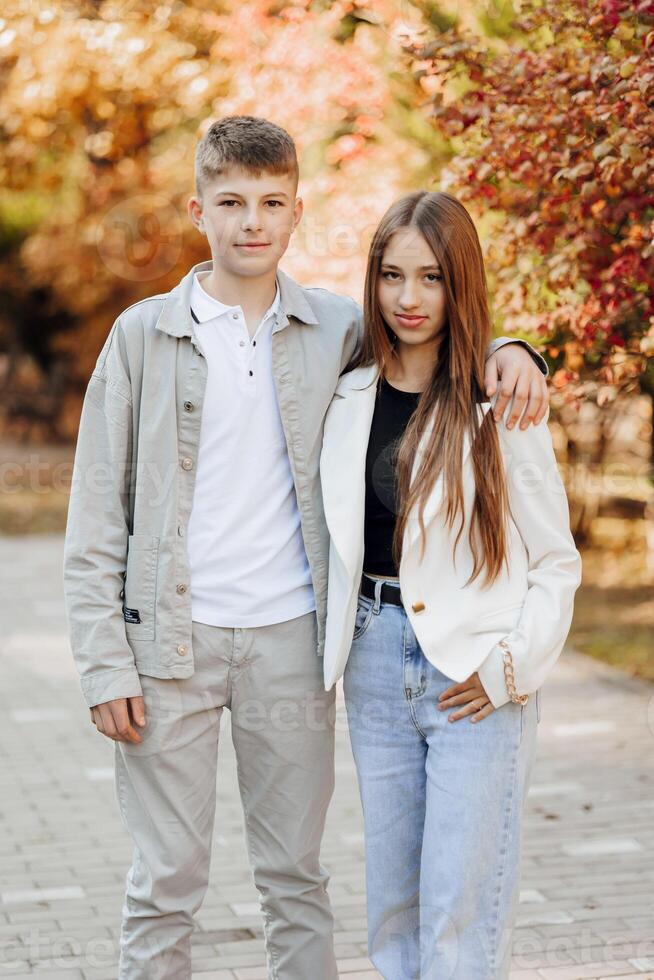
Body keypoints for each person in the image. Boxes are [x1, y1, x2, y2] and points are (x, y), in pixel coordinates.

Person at [63, 116, 551, 980]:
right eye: (232, 203)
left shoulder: (336, 329)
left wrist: (517, 350)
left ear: (296, 214)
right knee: (165, 881)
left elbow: (436, 340)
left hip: (294, 642)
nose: (252, 222)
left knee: (295, 879)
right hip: (169, 647)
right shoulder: (140, 338)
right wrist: (104, 664)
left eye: (271, 204)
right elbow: (97, 514)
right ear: (198, 210)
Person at [320, 190, 583, 979]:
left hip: (472, 675)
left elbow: (555, 562)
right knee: (394, 914)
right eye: (392, 276)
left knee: (458, 917)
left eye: (431, 278)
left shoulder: (499, 402)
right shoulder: (345, 389)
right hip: (372, 660)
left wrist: (511, 669)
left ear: (458, 282)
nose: (409, 298)